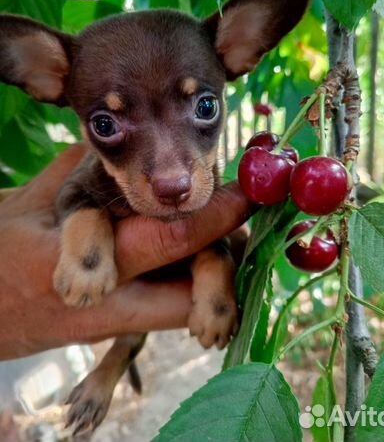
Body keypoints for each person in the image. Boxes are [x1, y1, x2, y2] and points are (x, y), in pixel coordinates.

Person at [0, 144, 251, 360]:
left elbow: (212, 238)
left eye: (205, 108)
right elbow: (76, 191)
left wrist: (215, 264)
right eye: (106, 125)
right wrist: (88, 250)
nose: (171, 176)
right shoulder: (94, 177)